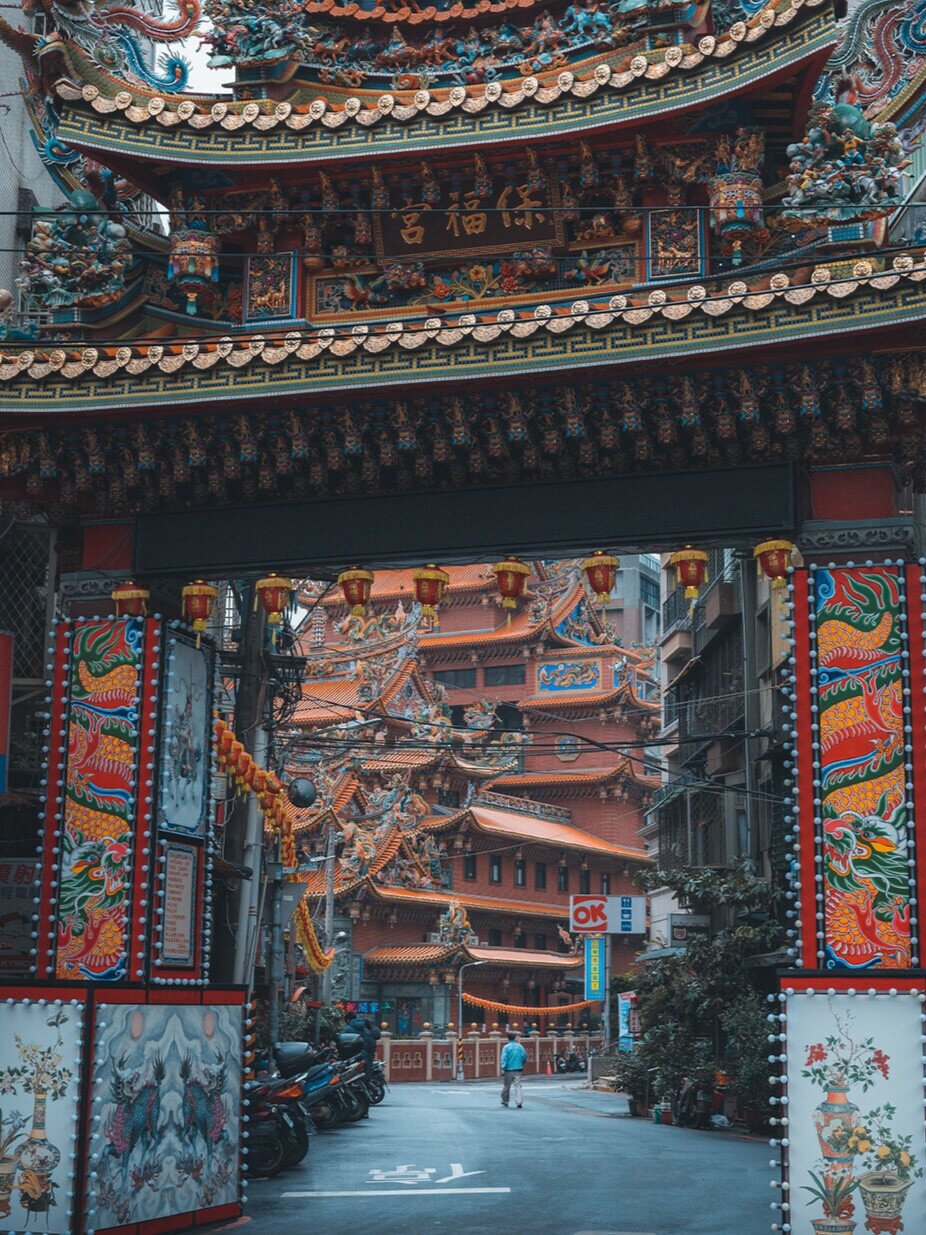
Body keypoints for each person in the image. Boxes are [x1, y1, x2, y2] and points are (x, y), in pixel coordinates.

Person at [500, 1029, 527, 1108]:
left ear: (508, 1037)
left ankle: (505, 1101)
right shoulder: (520, 1046)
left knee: (506, 1086)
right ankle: (519, 1102)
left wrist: (503, 1068)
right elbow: (524, 1056)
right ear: (515, 1037)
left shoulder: (506, 1047)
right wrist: (521, 1063)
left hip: (508, 1070)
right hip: (518, 1069)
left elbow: (504, 1059)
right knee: (518, 1086)